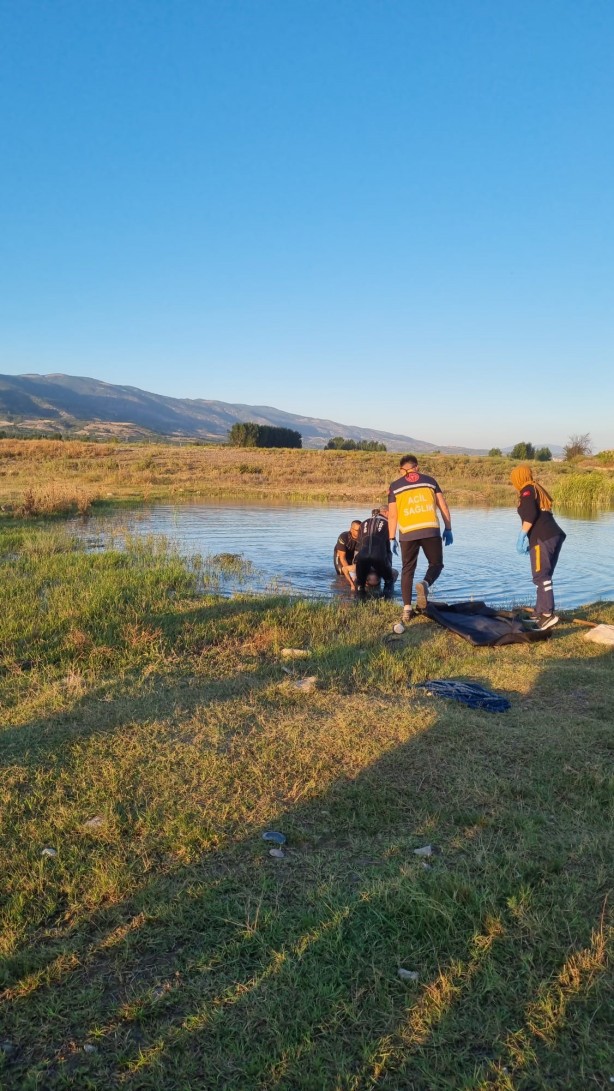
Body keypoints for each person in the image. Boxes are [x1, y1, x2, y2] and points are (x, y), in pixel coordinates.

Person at [387, 454, 453, 623]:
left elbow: (393, 515)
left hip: (408, 532)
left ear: (402, 469)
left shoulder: (395, 486)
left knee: (407, 569)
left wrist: (391, 537)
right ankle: (425, 584)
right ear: (416, 467)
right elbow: (443, 505)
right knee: (436, 564)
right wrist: (448, 528)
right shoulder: (430, 481)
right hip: (431, 529)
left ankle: (407, 610)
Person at [510, 465, 566, 631]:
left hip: (543, 538)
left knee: (541, 576)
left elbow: (530, 515)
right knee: (542, 576)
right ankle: (539, 612)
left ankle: (548, 615)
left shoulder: (527, 489)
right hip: (551, 535)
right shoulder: (535, 488)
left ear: (518, 478)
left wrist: (521, 536)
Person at [355, 506, 397, 598]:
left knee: (360, 583)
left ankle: (358, 602)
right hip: (379, 556)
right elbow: (388, 548)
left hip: (362, 556)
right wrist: (389, 567)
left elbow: (358, 546)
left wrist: (356, 563)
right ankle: (387, 601)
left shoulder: (363, 523)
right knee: (389, 580)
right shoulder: (388, 523)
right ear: (386, 512)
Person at [333, 519, 361, 589]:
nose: (360, 533)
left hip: (354, 555)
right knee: (342, 574)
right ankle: (342, 590)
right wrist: (349, 572)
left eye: (361, 530)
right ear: (351, 529)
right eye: (357, 531)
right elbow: (342, 558)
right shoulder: (343, 537)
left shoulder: (363, 538)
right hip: (341, 555)